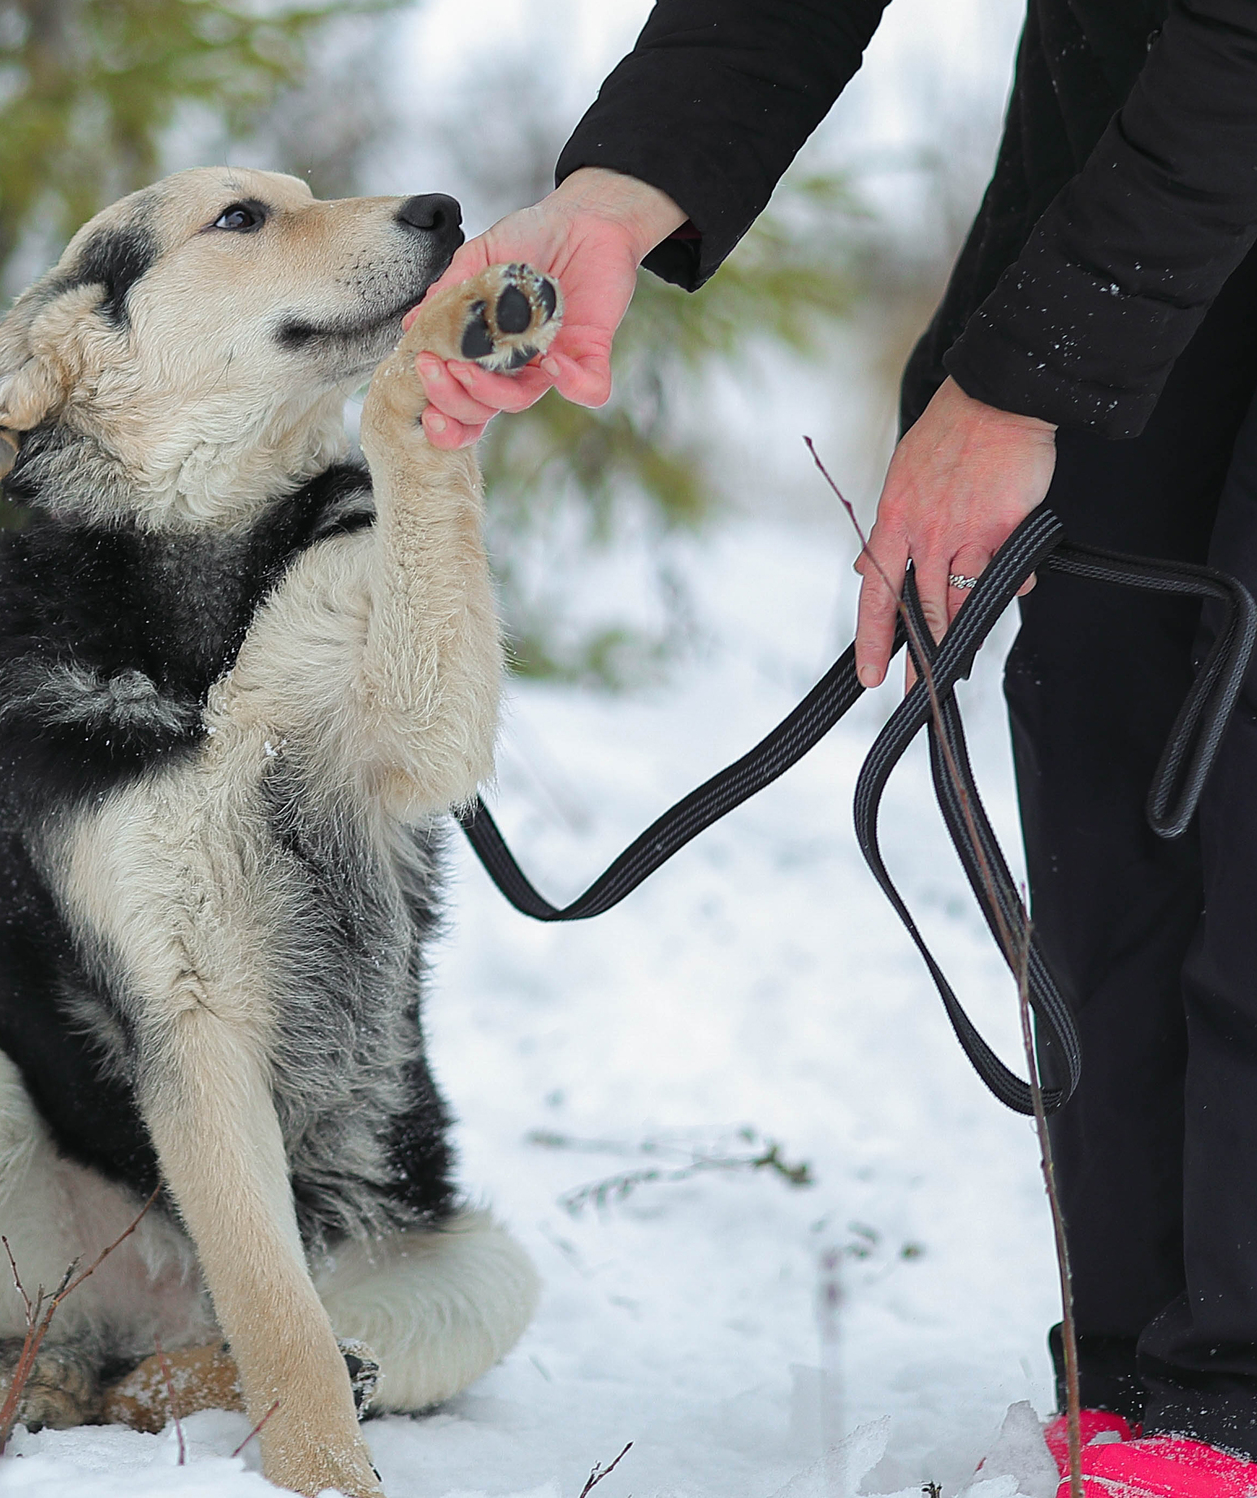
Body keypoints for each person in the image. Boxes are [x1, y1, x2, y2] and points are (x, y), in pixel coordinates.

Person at [410, 4, 1257, 1495]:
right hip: (1140, 158)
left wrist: (1026, 379)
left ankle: (1230, 1395)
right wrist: (622, 187)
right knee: (1111, 706)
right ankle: (1151, 1393)